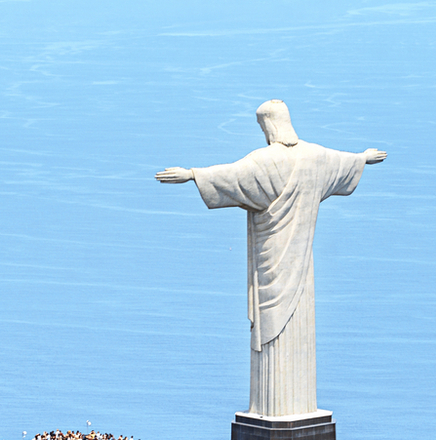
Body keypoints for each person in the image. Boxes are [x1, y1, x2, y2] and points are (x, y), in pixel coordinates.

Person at [156, 100, 386, 416]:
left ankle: (274, 410)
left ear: (269, 126)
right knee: (294, 329)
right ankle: (293, 408)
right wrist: (362, 158)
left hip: (271, 265)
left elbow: (232, 176)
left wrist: (193, 174)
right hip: (301, 266)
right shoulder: (314, 157)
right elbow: (342, 162)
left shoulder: (264, 161)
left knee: (273, 337)